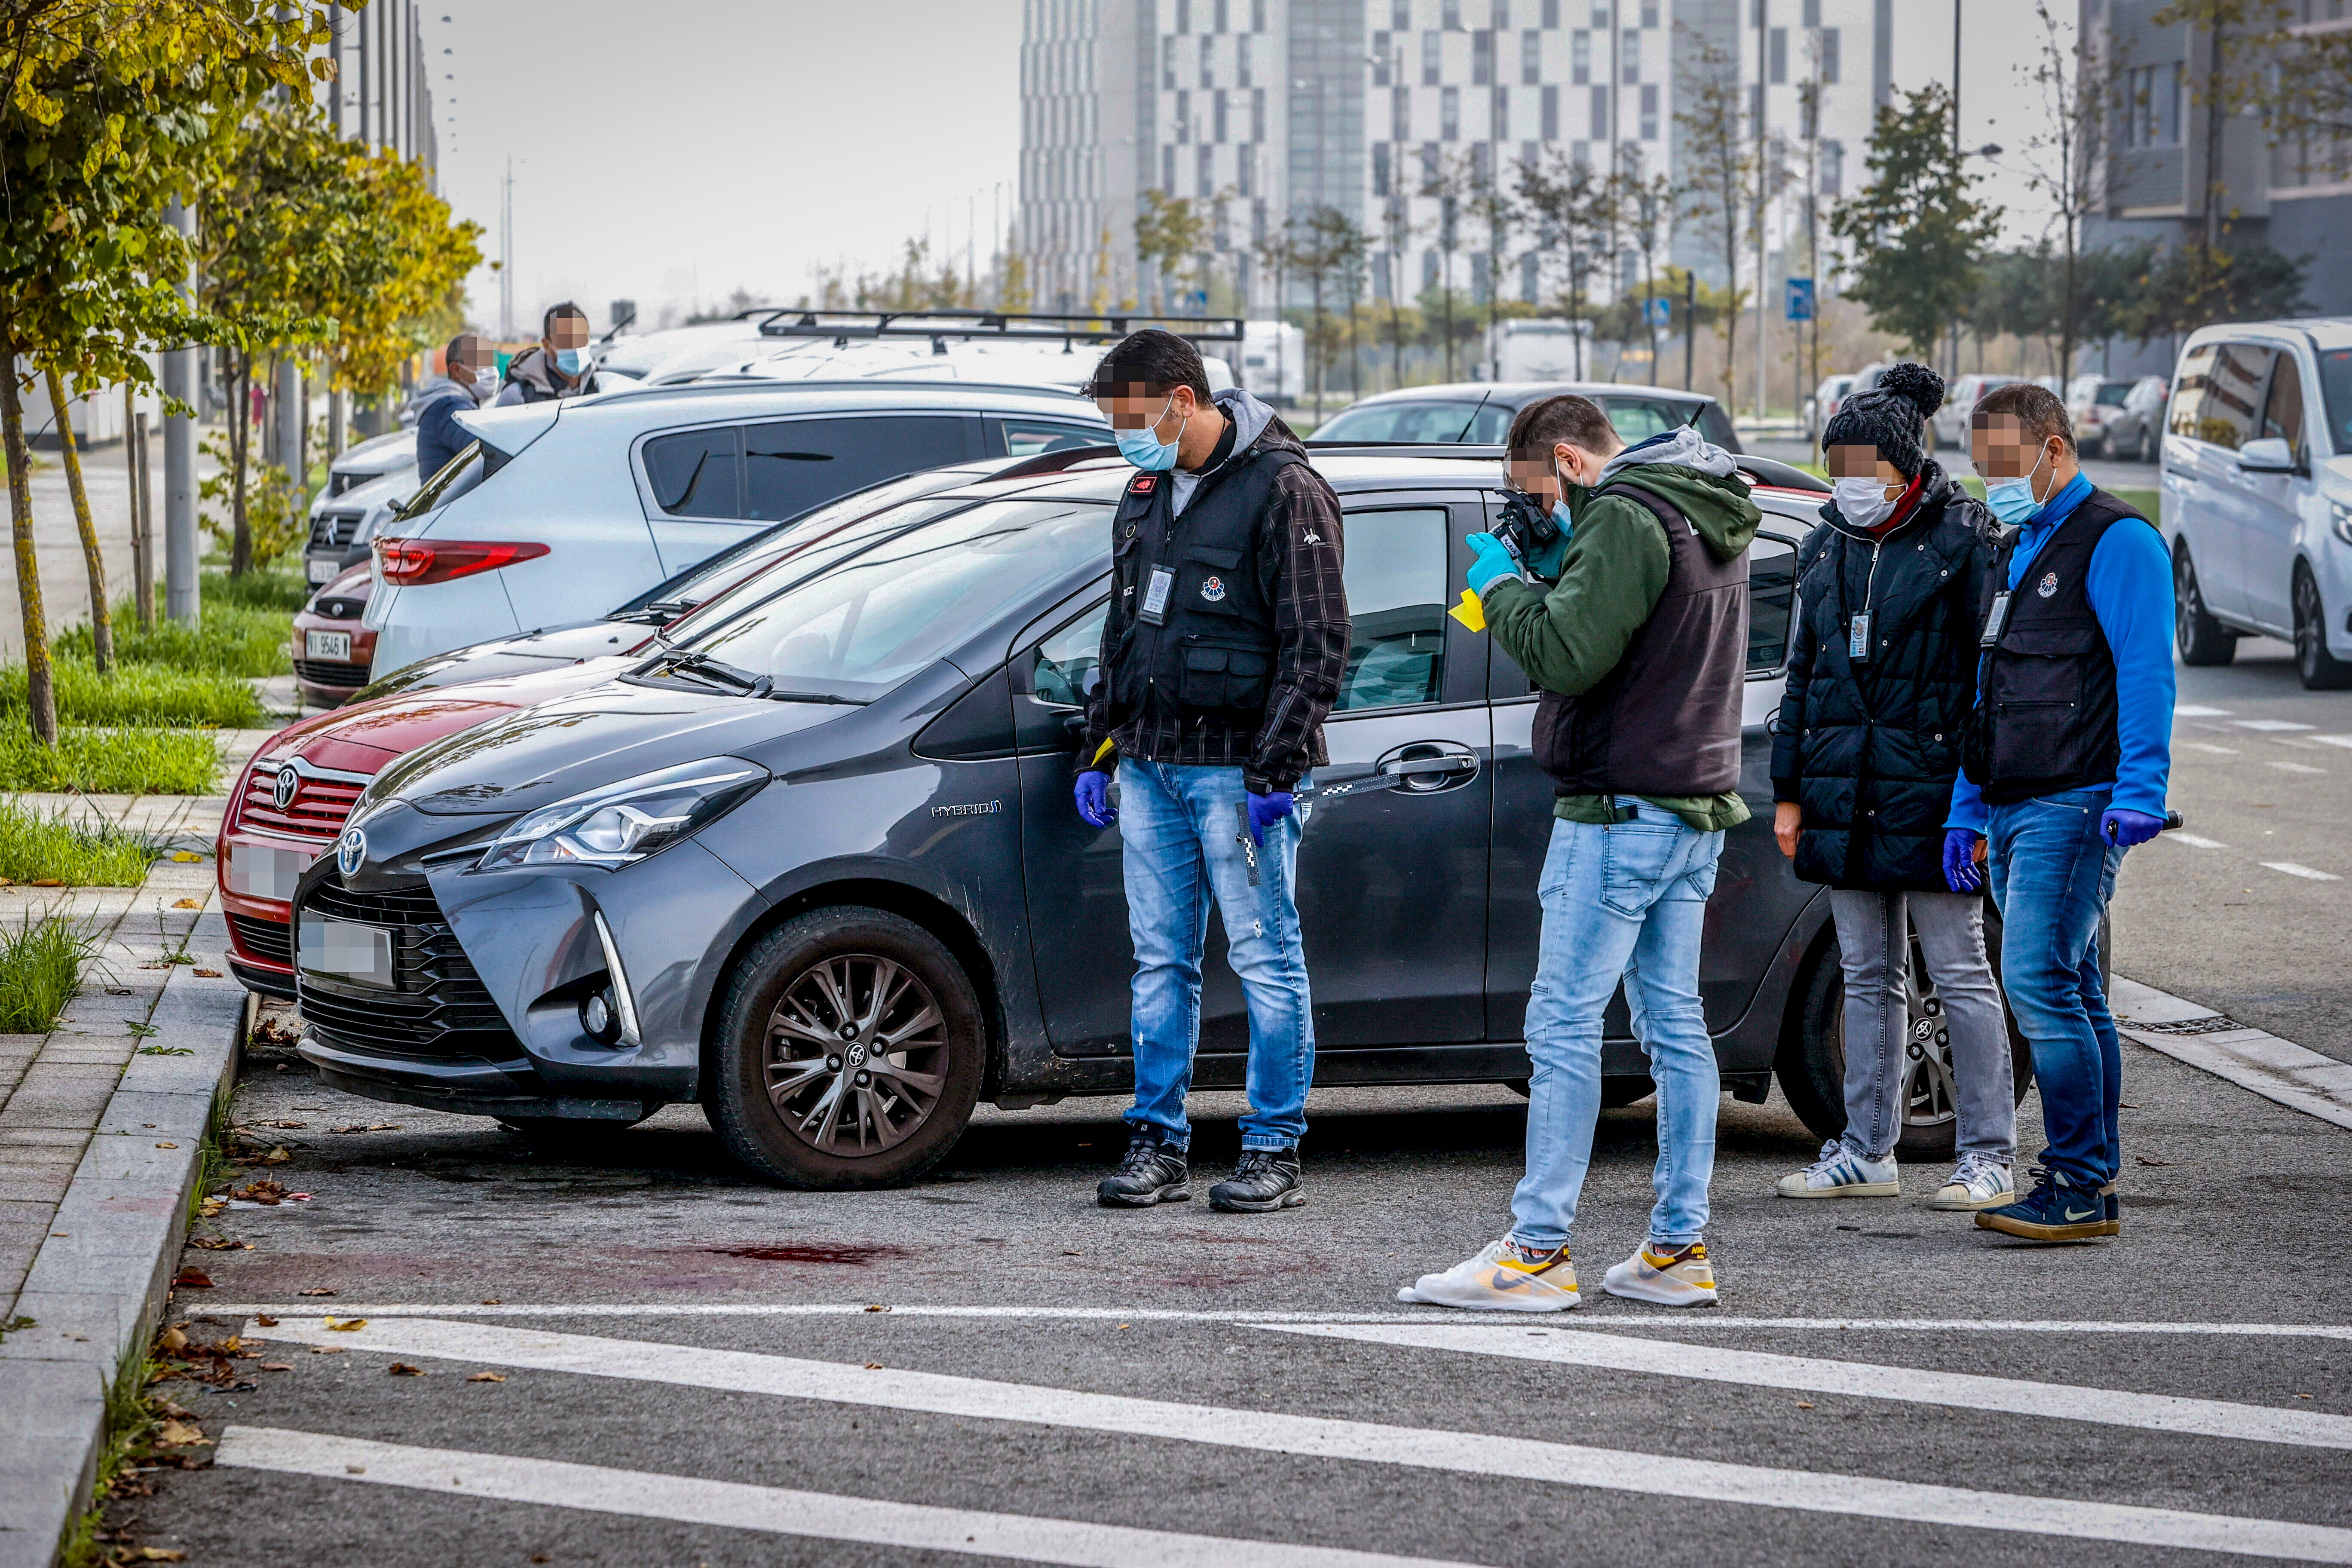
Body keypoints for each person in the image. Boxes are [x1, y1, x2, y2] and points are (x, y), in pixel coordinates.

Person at [1401, 395, 1757, 1312]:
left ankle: (1537, 1252)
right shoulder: (1697, 503)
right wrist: (1567, 563)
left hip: (1619, 810)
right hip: (1690, 805)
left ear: (1567, 457)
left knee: (1562, 1025)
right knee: (1674, 1027)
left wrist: (1507, 584)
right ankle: (1677, 1251)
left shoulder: (1630, 514)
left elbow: (1566, 655)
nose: (1541, 512)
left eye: (1540, 494)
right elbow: (1642, 636)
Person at [1077, 329, 1349, 1214]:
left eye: (1132, 418)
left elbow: (1318, 647)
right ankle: (1157, 1141)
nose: (1125, 436)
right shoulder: (1148, 489)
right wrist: (1100, 741)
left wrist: (1275, 770)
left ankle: (1274, 1147)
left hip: (1239, 775)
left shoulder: (1286, 490)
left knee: (1267, 960)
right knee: (1160, 963)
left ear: (1183, 401)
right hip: (1153, 766)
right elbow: (1124, 627)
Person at [1769, 364, 2017, 1212]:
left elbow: (1990, 683)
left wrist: (1976, 800)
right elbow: (1802, 676)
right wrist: (1790, 790)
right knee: (1869, 973)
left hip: (1938, 795)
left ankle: (1988, 1155)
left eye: (1861, 470)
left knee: (1960, 970)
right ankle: (1865, 1148)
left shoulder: (1968, 539)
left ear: (1905, 468)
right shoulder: (1824, 546)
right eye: (1835, 467)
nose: (1846, 486)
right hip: (1845, 789)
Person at [1948, 380, 2173, 1243]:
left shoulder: (2118, 540)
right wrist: (1967, 812)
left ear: (2053, 449)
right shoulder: (2020, 546)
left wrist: (2139, 792)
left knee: (2039, 981)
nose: (1991, 480)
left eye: (2004, 463)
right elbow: (1989, 688)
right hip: (2011, 802)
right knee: (2071, 985)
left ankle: (2078, 1183)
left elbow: (2148, 673)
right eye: (1981, 467)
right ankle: (2091, 1180)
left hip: (2074, 802)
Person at [413, 334, 493, 481]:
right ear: (456, 369)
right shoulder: (452, 408)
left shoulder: (450, 402)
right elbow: (487, 454)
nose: (489, 371)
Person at [493, 302, 594, 406]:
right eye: (565, 341)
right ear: (547, 345)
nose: (575, 348)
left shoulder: (604, 386)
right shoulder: (518, 396)